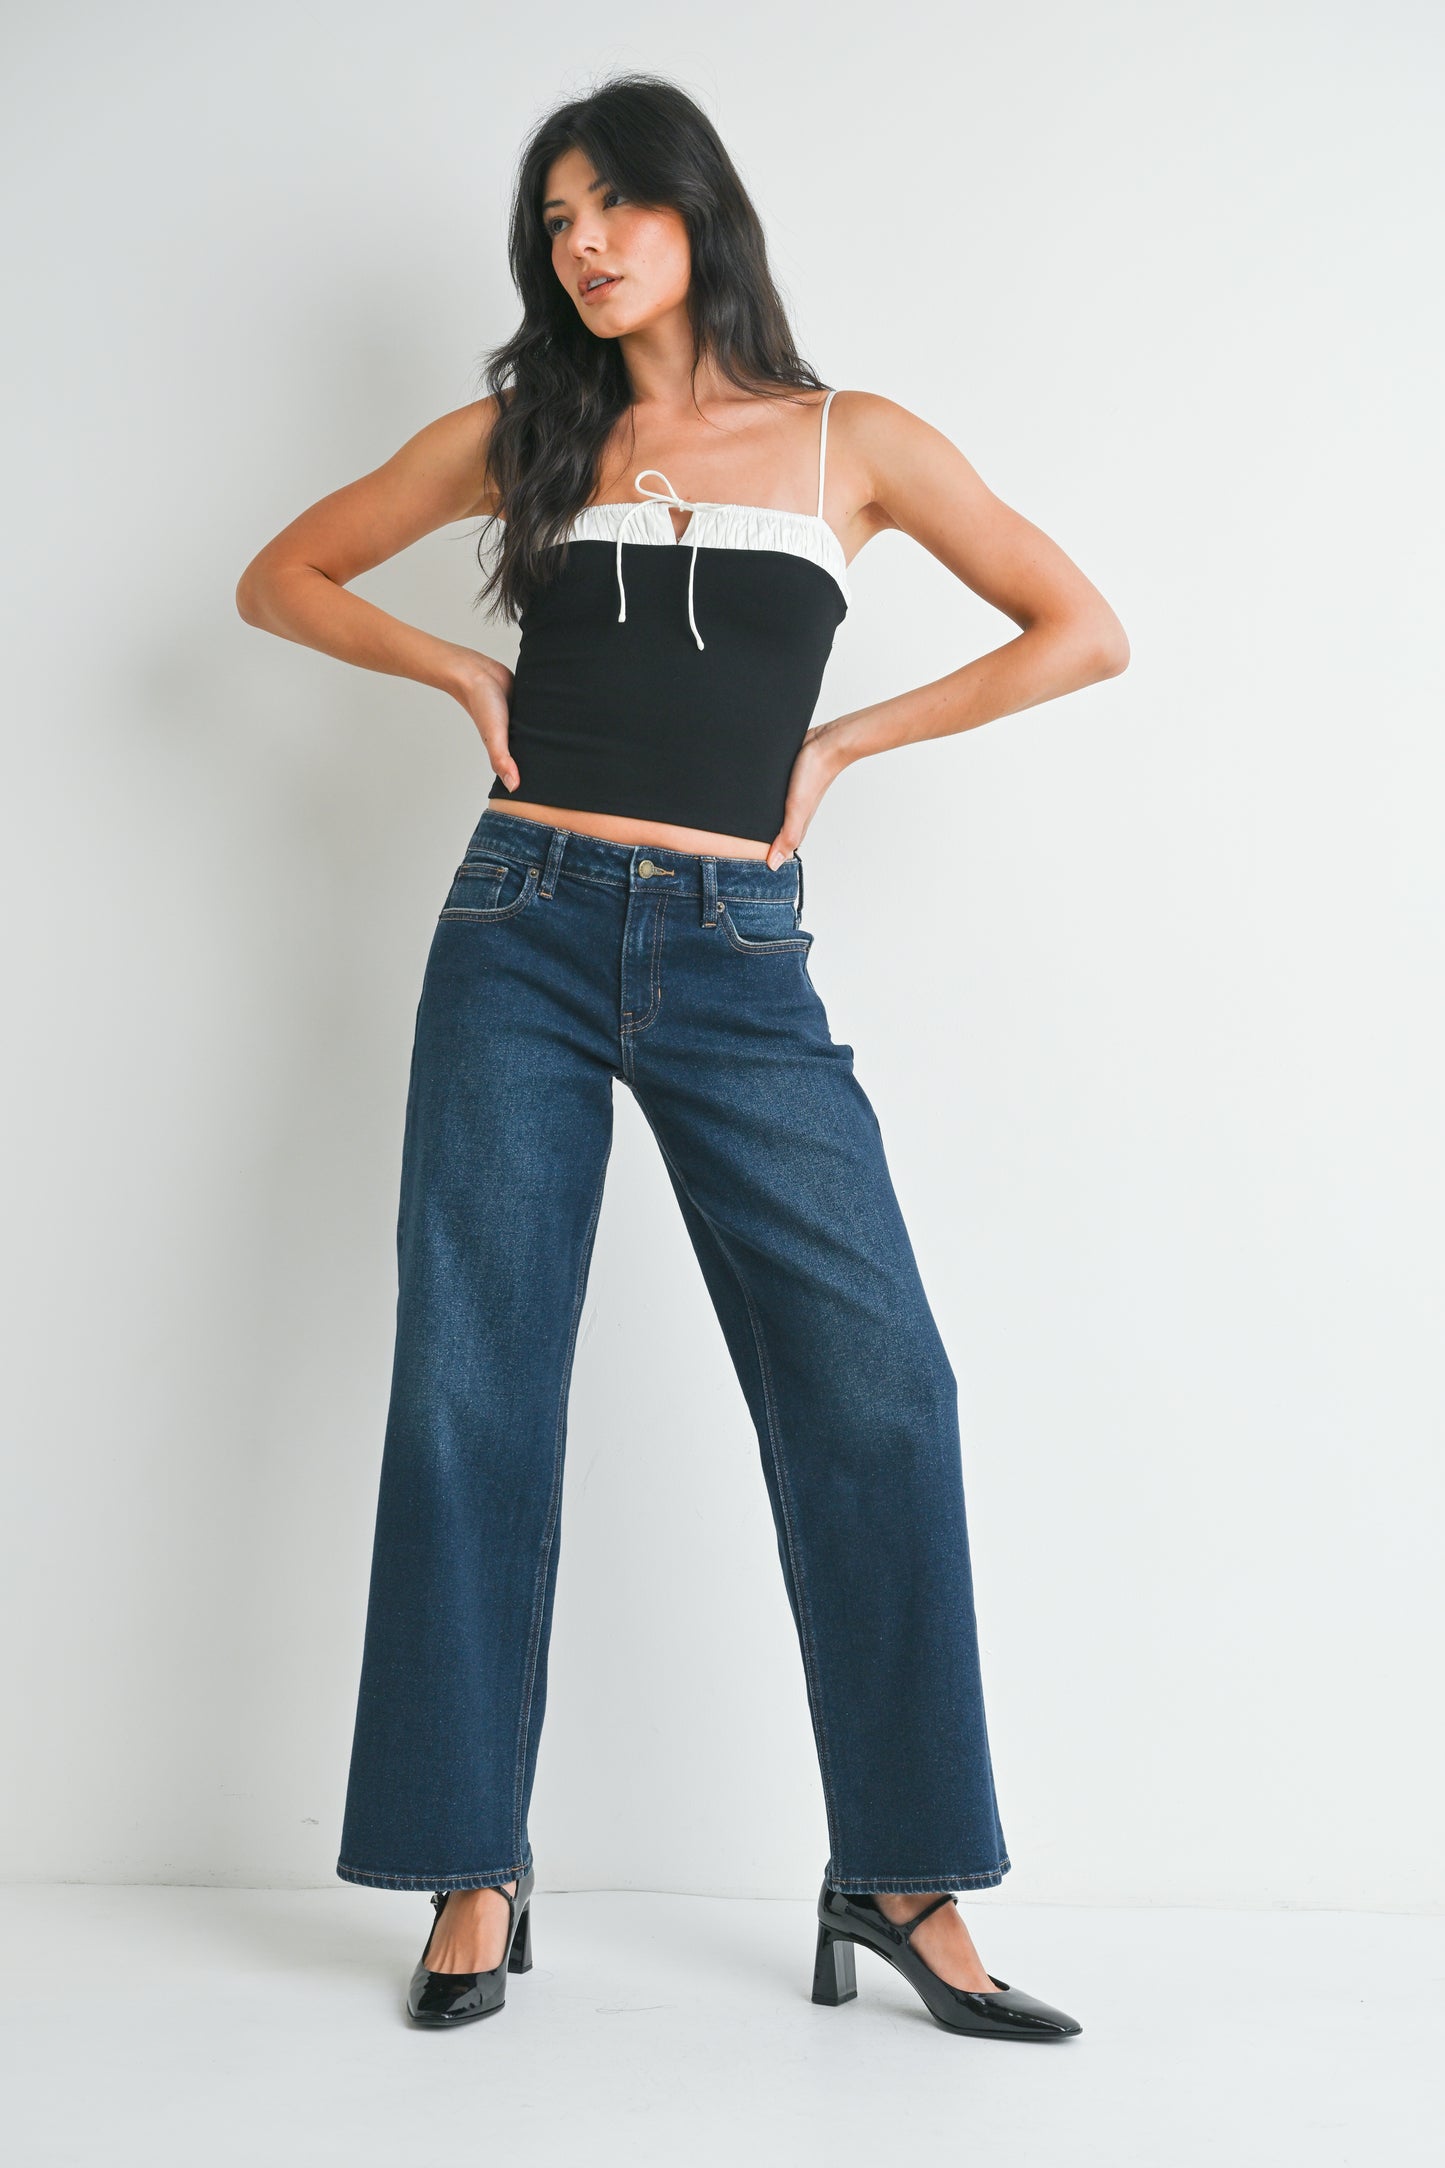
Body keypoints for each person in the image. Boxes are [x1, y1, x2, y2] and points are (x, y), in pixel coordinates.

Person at [236, 72, 1128, 2038]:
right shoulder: (524, 435)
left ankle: (902, 1877)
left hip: (740, 953)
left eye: (617, 201)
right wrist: (456, 662)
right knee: (472, 1393)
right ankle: (475, 1864)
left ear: (699, 213)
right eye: (556, 216)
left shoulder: (848, 441)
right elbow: (279, 574)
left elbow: (1079, 628)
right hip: (518, 929)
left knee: (881, 1388)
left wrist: (841, 745)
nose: (585, 239)